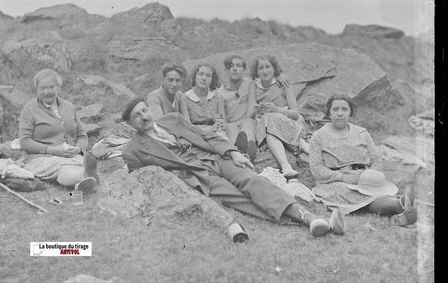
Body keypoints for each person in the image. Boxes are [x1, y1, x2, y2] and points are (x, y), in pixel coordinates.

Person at [121, 97, 346, 238]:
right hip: (195, 175)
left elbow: (206, 135)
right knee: (239, 199)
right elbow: (145, 179)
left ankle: (308, 218)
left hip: (215, 158)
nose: (143, 117)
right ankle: (309, 221)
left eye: (144, 111)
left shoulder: (172, 118)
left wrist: (234, 153)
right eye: (136, 116)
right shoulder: (133, 150)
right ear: (130, 124)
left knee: (253, 181)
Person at [309, 93, 417, 225]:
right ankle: (398, 206)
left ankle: (400, 205)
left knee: (374, 190)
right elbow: (317, 169)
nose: (340, 113)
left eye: (344, 109)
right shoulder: (318, 136)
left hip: (365, 178)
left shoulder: (362, 132)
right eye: (335, 109)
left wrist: (371, 176)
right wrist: (343, 177)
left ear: (350, 112)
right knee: (349, 192)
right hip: (336, 182)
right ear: (329, 112)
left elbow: (376, 159)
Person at [19, 68, 99, 192]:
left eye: (51, 87)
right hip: (40, 157)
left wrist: (78, 149)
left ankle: (85, 179)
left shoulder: (69, 106)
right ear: (36, 89)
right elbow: (25, 142)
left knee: (79, 162)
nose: (47, 92)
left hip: (69, 155)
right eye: (43, 88)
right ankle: (83, 177)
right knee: (62, 166)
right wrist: (52, 150)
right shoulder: (29, 109)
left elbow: (82, 135)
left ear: (58, 87)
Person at [217, 54, 292, 162]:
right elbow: (221, 117)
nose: (234, 68)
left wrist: (279, 75)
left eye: (238, 65)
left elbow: (266, 74)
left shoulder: (251, 83)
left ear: (244, 69)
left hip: (250, 124)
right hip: (233, 126)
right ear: (226, 69)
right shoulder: (220, 94)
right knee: (230, 127)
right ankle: (239, 150)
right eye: (230, 66)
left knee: (249, 121)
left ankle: (249, 147)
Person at [250, 54, 309, 178]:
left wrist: (277, 110)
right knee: (267, 121)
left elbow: (295, 113)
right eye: (260, 68)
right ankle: (291, 158)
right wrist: (256, 110)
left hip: (289, 122)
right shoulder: (253, 87)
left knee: (270, 117)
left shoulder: (283, 83)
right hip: (267, 127)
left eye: (268, 67)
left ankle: (287, 162)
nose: (265, 71)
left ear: (274, 68)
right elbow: (250, 113)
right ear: (256, 71)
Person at [178, 63, 227, 137]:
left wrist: (220, 124)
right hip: (195, 134)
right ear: (194, 77)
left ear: (212, 80)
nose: (204, 78)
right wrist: (207, 131)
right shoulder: (185, 98)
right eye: (201, 74)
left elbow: (223, 122)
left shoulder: (218, 97)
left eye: (208, 76)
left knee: (221, 137)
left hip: (215, 133)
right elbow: (187, 126)